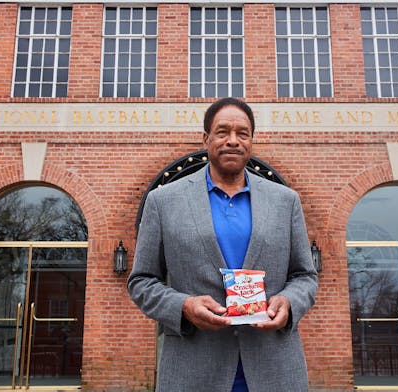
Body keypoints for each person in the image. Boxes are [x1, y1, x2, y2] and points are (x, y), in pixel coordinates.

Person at [128, 97, 318, 392]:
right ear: (206, 139)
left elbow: (305, 276)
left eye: (242, 133)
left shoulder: (286, 200)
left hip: (275, 370)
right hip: (192, 371)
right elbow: (141, 281)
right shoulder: (163, 201)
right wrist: (183, 306)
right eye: (222, 132)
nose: (233, 141)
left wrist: (290, 302)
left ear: (251, 141)